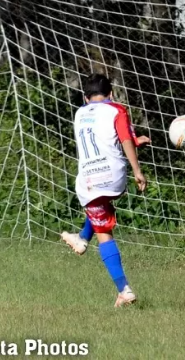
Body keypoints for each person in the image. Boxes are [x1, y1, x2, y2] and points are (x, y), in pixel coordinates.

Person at [60, 74, 147, 307]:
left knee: (104, 232)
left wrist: (132, 142)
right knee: (100, 207)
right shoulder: (117, 109)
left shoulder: (79, 113)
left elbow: (100, 132)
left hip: (91, 179)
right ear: (111, 94)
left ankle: (124, 290)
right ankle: (80, 240)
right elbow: (124, 137)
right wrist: (137, 170)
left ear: (85, 98)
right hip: (116, 178)